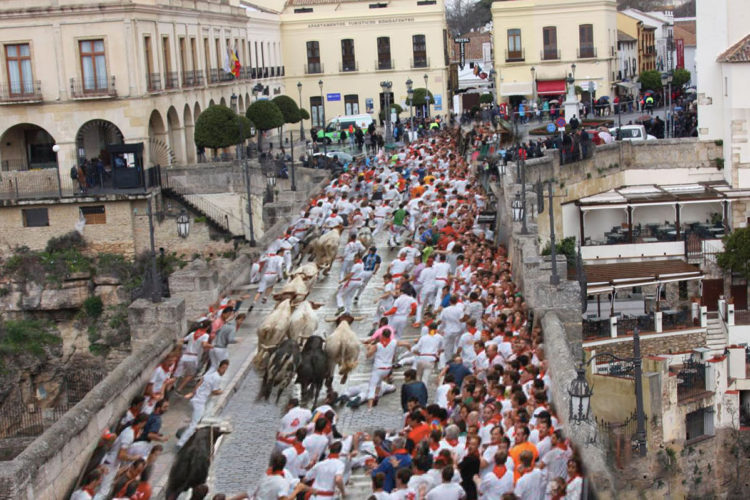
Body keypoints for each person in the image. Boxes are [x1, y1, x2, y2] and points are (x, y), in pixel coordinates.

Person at [176, 359, 228, 448]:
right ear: (219, 367)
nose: (224, 371)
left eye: (225, 369)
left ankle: (185, 436)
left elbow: (200, 382)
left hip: (194, 400)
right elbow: (215, 391)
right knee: (194, 424)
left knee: (194, 421)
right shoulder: (217, 378)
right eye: (223, 368)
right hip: (199, 403)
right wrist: (221, 391)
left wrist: (193, 393)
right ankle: (181, 443)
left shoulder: (209, 375)